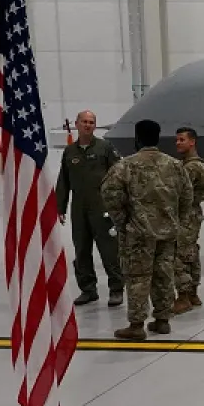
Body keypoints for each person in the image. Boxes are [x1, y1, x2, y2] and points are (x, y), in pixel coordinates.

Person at [100, 119, 193, 340]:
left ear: (137, 138)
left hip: (138, 234)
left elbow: (109, 193)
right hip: (168, 232)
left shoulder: (126, 165)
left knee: (138, 277)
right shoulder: (174, 165)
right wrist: (175, 220)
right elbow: (188, 196)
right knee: (164, 275)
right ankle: (162, 321)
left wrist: (123, 221)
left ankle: (136, 324)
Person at [56, 109, 123, 307]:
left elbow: (118, 175)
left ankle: (116, 289)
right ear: (76, 124)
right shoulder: (70, 152)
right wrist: (60, 207)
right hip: (79, 208)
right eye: (84, 121)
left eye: (91, 122)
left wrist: (118, 204)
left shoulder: (105, 148)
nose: (88, 125)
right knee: (81, 250)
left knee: (109, 250)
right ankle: (88, 289)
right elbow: (63, 181)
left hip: (102, 208)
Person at [171, 127, 204, 314]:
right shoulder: (195, 164)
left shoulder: (191, 167)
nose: (178, 143)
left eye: (182, 140)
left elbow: (177, 192)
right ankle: (193, 294)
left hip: (185, 216)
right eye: (177, 140)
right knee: (191, 253)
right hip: (192, 214)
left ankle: (184, 297)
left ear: (192, 142)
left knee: (179, 255)